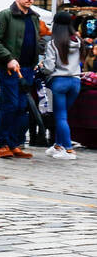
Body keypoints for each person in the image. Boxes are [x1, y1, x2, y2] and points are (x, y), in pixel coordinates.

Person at [0, 0, 45, 159]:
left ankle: (15, 143)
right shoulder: (5, 15)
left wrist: (38, 59)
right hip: (9, 67)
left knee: (22, 107)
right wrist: (8, 58)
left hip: (28, 68)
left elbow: (37, 40)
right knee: (10, 104)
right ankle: (3, 143)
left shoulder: (34, 17)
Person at [43, 11, 82, 159]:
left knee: (60, 116)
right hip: (76, 81)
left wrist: (42, 68)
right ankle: (58, 145)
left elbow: (49, 67)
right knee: (64, 115)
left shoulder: (53, 43)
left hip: (59, 81)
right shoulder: (78, 42)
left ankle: (68, 149)